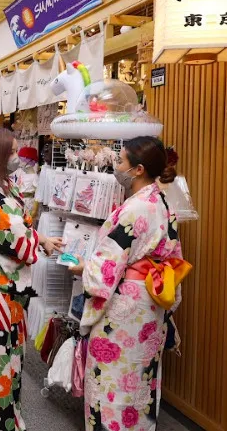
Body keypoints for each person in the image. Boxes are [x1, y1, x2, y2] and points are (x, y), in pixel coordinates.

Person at [61, 136, 185, 431]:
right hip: (150, 304)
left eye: (120, 161)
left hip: (124, 309)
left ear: (138, 169)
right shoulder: (163, 203)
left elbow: (108, 264)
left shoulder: (135, 209)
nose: (117, 166)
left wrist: (84, 268)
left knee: (110, 379)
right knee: (140, 379)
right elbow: (174, 258)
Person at [0, 127, 60, 431]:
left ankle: (8, 417)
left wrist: (42, 239)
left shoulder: (4, 186)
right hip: (0, 287)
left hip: (11, 285)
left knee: (11, 356)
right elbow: (11, 237)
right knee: (0, 357)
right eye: (11, 152)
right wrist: (36, 241)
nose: (16, 156)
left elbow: (21, 227)